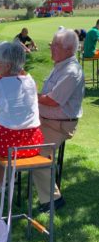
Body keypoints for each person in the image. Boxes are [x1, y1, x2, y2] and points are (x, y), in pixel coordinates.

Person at [33, 29, 85, 213]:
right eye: (52, 45)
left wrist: (30, 93)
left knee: (35, 153)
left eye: (56, 46)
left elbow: (53, 101)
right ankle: (4, 181)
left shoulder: (71, 71)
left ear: (69, 49)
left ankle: (53, 200)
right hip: (45, 120)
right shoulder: (60, 65)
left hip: (59, 124)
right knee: (15, 132)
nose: (52, 49)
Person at [0, 42, 43, 188]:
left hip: (8, 144)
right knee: (3, 129)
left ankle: (0, 181)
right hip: (34, 142)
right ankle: (0, 173)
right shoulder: (31, 81)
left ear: (8, 66)